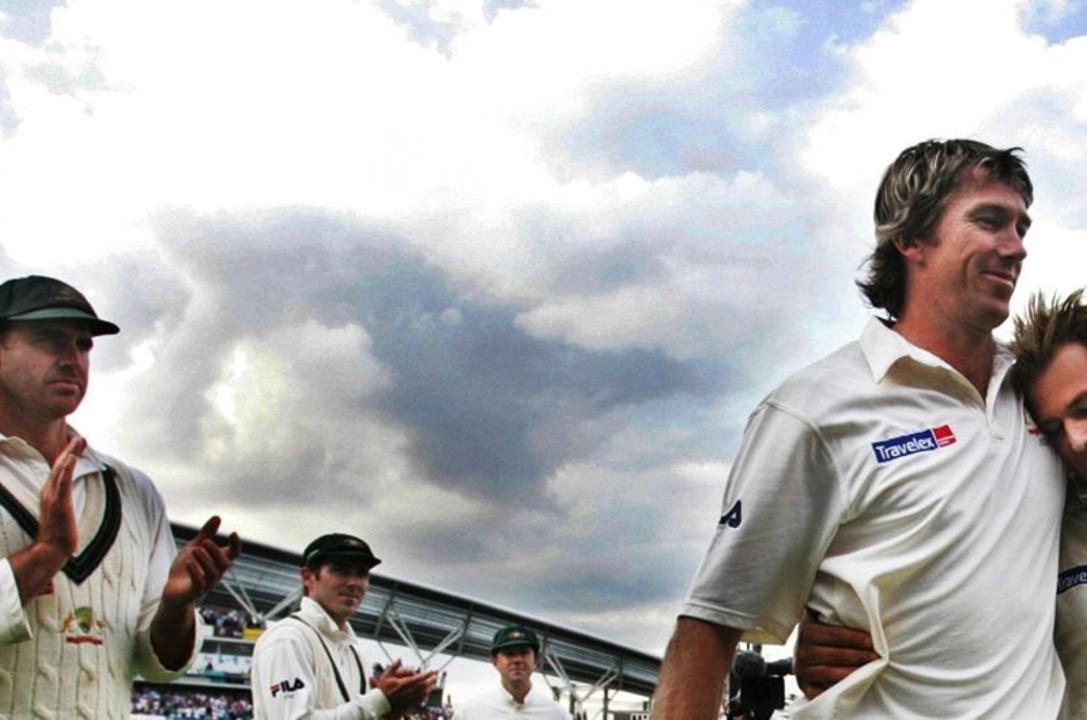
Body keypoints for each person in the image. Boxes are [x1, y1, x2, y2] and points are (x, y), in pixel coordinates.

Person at [650, 139, 1065, 719]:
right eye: (989, 221)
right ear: (911, 238)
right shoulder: (815, 409)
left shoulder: (1045, 393)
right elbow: (711, 626)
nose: (1015, 247)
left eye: (1021, 227)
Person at [0, 275, 239, 718]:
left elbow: (158, 666)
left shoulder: (134, 490)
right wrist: (44, 555)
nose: (73, 359)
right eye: (50, 340)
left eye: (83, 344)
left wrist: (175, 608)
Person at [793, 288, 1087, 718]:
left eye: (1084, 407)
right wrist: (833, 630)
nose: (1076, 439)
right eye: (1053, 428)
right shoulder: (1049, 518)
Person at [251, 533, 436, 720]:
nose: (354, 583)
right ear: (308, 577)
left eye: (362, 574)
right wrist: (380, 700)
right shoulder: (288, 639)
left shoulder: (355, 651)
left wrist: (392, 710)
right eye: (341, 571)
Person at [453, 625, 571, 720]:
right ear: (494, 661)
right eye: (509, 653)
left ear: (536, 660)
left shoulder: (558, 715)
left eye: (524, 652)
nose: (517, 660)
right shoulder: (469, 713)